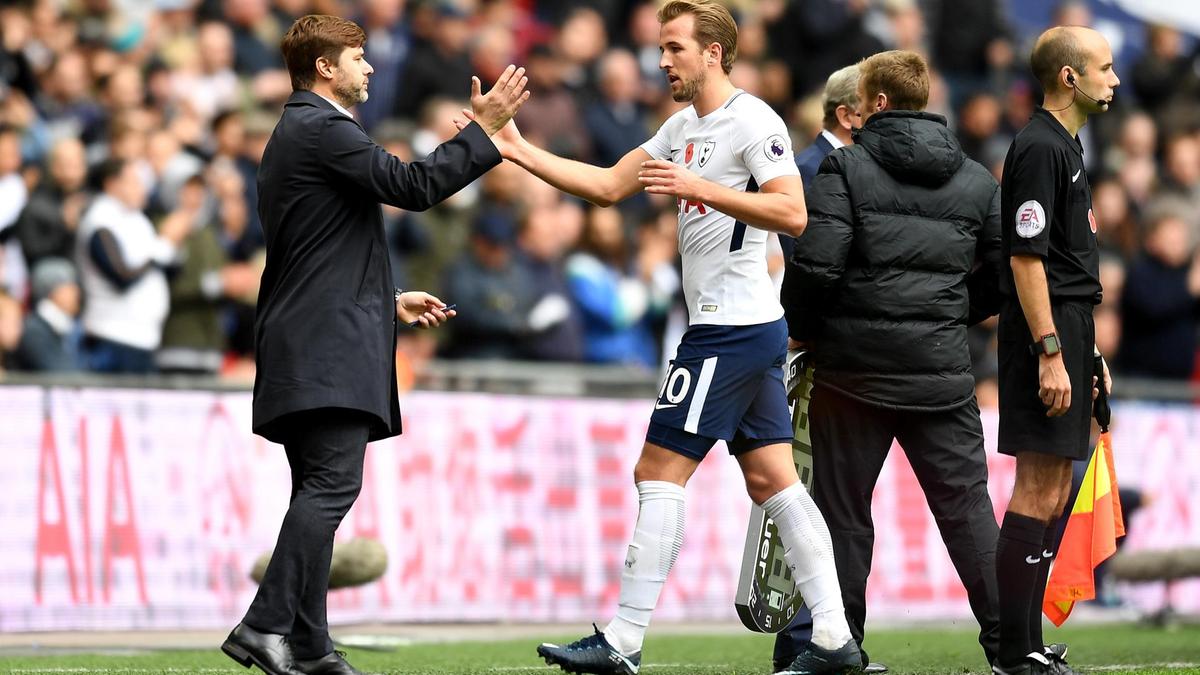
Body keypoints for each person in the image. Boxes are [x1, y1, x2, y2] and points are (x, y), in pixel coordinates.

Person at [456, 2, 860, 673]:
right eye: (660, 48)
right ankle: (834, 637)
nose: (662, 60)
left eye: (674, 48)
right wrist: (515, 148)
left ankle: (622, 638)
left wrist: (699, 185)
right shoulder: (682, 126)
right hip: (744, 326)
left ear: (713, 52)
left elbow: (793, 211)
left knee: (657, 471)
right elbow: (609, 187)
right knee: (774, 480)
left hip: (728, 328)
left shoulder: (752, 119)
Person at [219, 15, 528, 675]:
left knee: (318, 490)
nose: (371, 67)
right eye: (358, 57)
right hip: (325, 348)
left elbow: (315, 255)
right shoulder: (324, 127)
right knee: (332, 486)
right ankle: (264, 623)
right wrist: (486, 131)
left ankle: (310, 645)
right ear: (325, 67)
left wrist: (386, 302)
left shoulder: (293, 132)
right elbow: (413, 189)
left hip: (308, 335)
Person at [781, 49, 1005, 673]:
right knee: (968, 513)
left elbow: (817, 266)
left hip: (852, 374)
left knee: (843, 514)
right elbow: (1005, 277)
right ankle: (1012, 647)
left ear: (876, 103)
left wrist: (803, 330)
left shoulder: (843, 168)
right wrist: (949, 313)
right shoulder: (977, 179)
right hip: (942, 373)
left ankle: (838, 646)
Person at [993, 26, 1119, 675]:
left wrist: (1085, 350)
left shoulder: (1066, 146)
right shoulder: (1040, 147)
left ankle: (1026, 642)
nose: (1115, 79)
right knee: (1037, 486)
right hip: (1044, 330)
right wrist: (1049, 350)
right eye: (1104, 67)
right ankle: (1013, 652)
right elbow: (1026, 257)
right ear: (1069, 77)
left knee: (1055, 485)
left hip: (1070, 325)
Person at [76, 157, 189, 373]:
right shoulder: (100, 221)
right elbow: (122, 276)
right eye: (134, 182)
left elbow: (165, 269)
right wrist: (164, 244)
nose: (142, 189)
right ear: (111, 184)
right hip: (112, 337)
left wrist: (175, 244)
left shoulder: (138, 220)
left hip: (145, 337)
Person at [12, 257, 82, 372]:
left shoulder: (68, 327)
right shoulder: (34, 330)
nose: (76, 292)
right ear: (51, 291)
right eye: (69, 286)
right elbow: (60, 374)